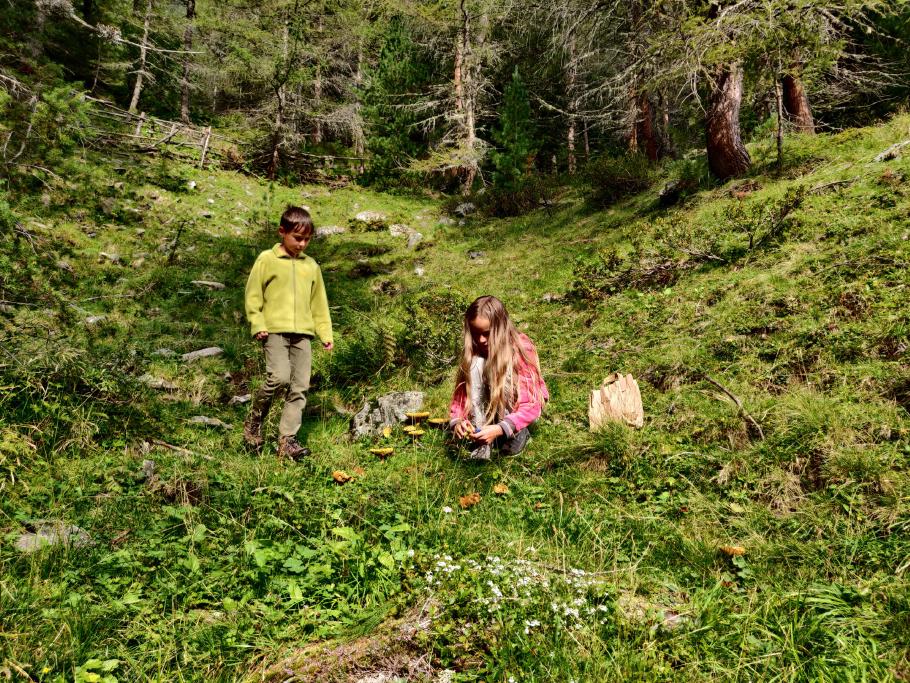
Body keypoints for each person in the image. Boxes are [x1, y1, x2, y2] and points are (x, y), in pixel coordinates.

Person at [243, 206, 333, 459]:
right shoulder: (267, 259)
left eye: (307, 239)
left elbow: (319, 303)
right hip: (273, 331)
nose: (302, 244)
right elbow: (253, 295)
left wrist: (325, 333)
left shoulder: (311, 266)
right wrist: (257, 323)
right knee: (280, 378)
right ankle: (254, 420)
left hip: (303, 334)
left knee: (300, 386)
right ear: (282, 232)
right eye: (297, 238)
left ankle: (287, 441)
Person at [449, 295, 548, 460]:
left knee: (506, 370)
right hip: (489, 406)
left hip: (517, 409)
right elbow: (462, 395)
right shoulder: (475, 351)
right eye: (475, 333)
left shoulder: (520, 348)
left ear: (501, 328)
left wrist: (501, 428)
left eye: (487, 334)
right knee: (475, 365)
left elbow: (531, 402)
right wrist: (457, 420)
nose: (481, 340)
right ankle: (478, 432)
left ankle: (515, 432)